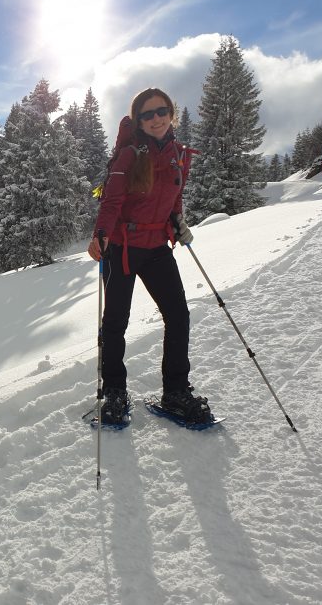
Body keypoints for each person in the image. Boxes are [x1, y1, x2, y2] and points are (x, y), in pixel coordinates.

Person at [87, 87, 212, 425]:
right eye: (147, 114)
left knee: (178, 316)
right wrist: (101, 234)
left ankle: (175, 392)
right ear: (139, 121)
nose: (156, 118)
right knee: (114, 323)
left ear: (171, 113)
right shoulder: (129, 156)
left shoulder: (178, 155)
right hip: (122, 249)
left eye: (161, 111)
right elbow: (111, 201)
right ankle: (114, 391)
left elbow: (173, 197)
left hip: (157, 246)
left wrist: (178, 221)